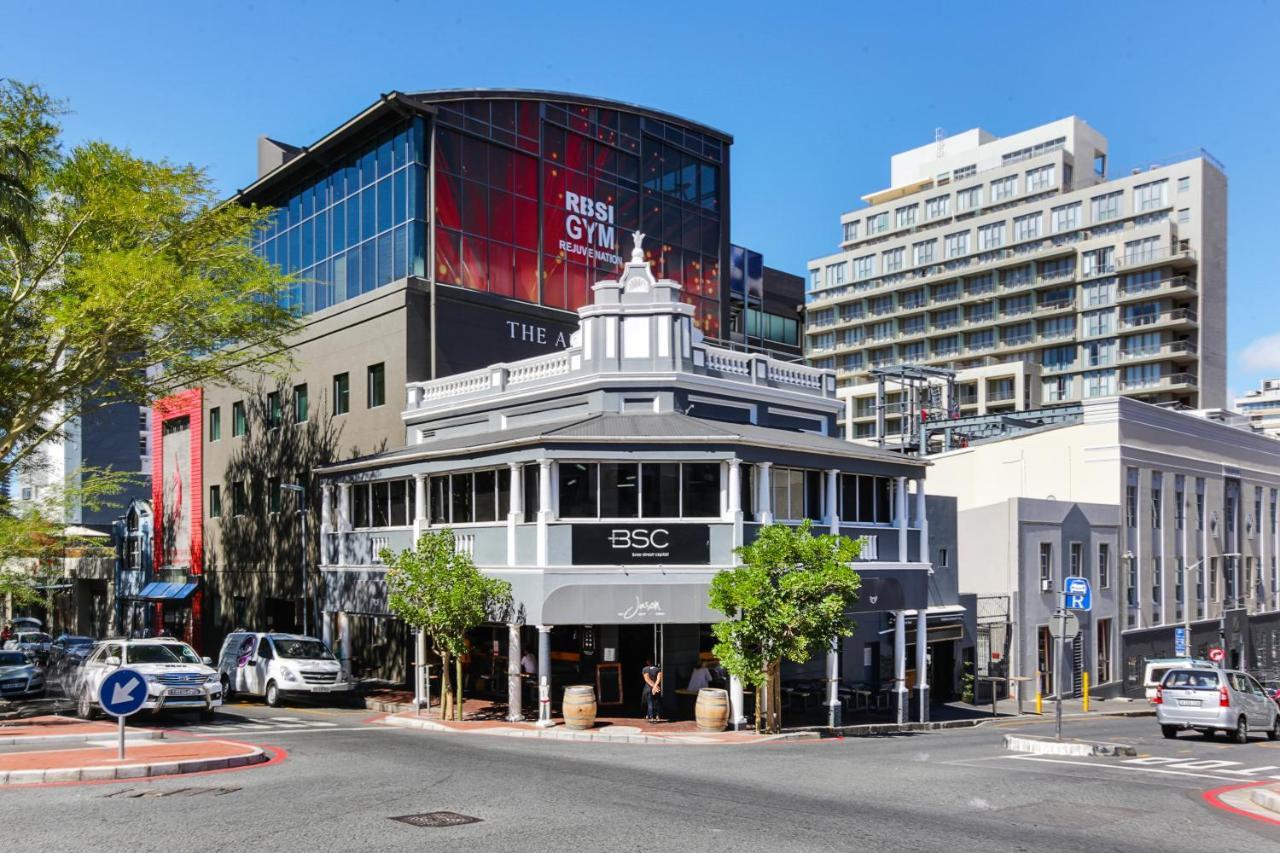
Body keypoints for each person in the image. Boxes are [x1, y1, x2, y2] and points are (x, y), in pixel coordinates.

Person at [641, 657, 663, 722]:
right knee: (657, 702)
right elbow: (659, 679)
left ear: (648, 662)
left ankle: (651, 717)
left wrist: (653, 687)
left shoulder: (645, 669)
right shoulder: (658, 669)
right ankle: (658, 716)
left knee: (650, 703)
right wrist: (655, 687)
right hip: (657, 689)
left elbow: (647, 679)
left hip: (648, 688)